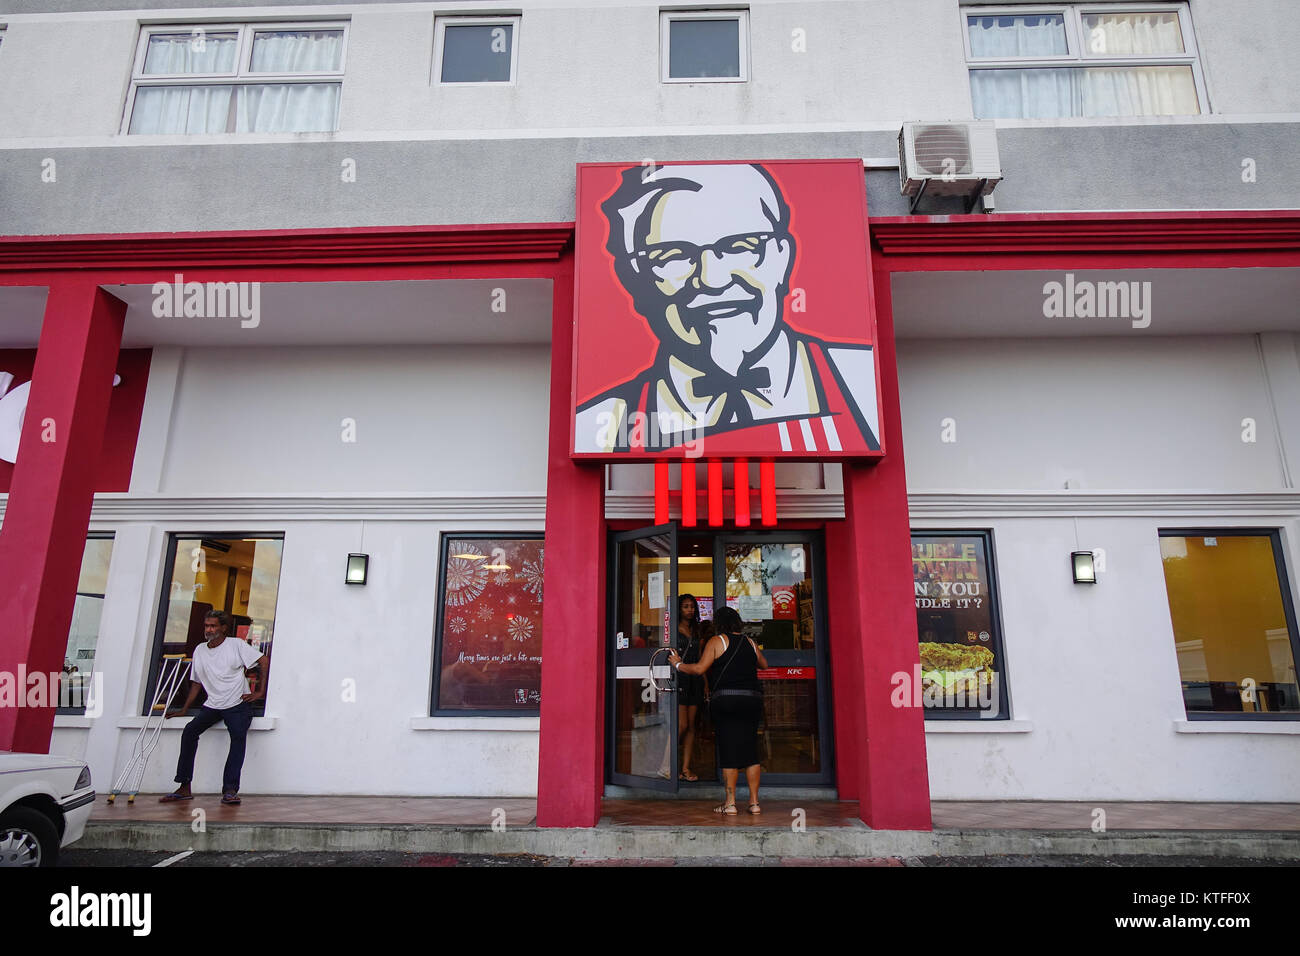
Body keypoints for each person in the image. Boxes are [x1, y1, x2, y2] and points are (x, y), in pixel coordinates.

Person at [575, 162, 881, 455]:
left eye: (740, 246)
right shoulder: (601, 424)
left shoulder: (860, 384)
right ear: (635, 281)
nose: (712, 279)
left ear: (782, 259)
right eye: (672, 256)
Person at [160, 610, 268, 806]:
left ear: (223, 628)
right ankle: (184, 786)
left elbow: (263, 660)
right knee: (190, 731)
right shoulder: (200, 650)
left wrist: (260, 692)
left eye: (213, 626)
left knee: (237, 738)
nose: (209, 630)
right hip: (213, 704)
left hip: (237, 704)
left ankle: (230, 790)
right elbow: (197, 682)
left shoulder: (235, 645)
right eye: (207, 626)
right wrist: (185, 709)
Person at [669, 606, 767, 815]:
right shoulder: (750, 642)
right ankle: (754, 803)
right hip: (751, 700)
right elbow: (764, 664)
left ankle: (730, 804)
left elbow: (698, 669)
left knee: (729, 750)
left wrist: (678, 665)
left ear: (720, 623)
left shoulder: (717, 641)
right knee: (750, 752)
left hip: (727, 701)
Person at [675, 594, 707, 782]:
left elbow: (701, 657)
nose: (689, 610)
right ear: (679, 609)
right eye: (685, 606)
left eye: (692, 606)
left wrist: (705, 684)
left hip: (695, 678)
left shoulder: (696, 629)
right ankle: (667, 764)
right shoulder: (673, 629)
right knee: (682, 724)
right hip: (679, 678)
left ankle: (686, 768)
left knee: (692, 726)